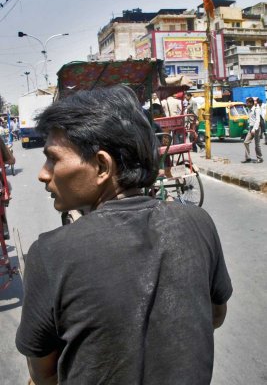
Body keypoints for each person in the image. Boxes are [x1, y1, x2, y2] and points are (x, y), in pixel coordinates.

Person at [16, 85, 232, 385]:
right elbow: (215, 315)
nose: (43, 173)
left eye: (53, 158)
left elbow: (43, 373)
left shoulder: (51, 253)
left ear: (102, 166)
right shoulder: (198, 221)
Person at [242, 97, 263, 163]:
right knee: (246, 142)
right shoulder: (249, 109)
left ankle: (260, 158)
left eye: (247, 103)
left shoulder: (256, 109)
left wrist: (254, 129)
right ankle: (248, 158)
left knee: (257, 144)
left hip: (256, 128)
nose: (246, 104)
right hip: (251, 128)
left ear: (251, 103)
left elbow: (257, 120)